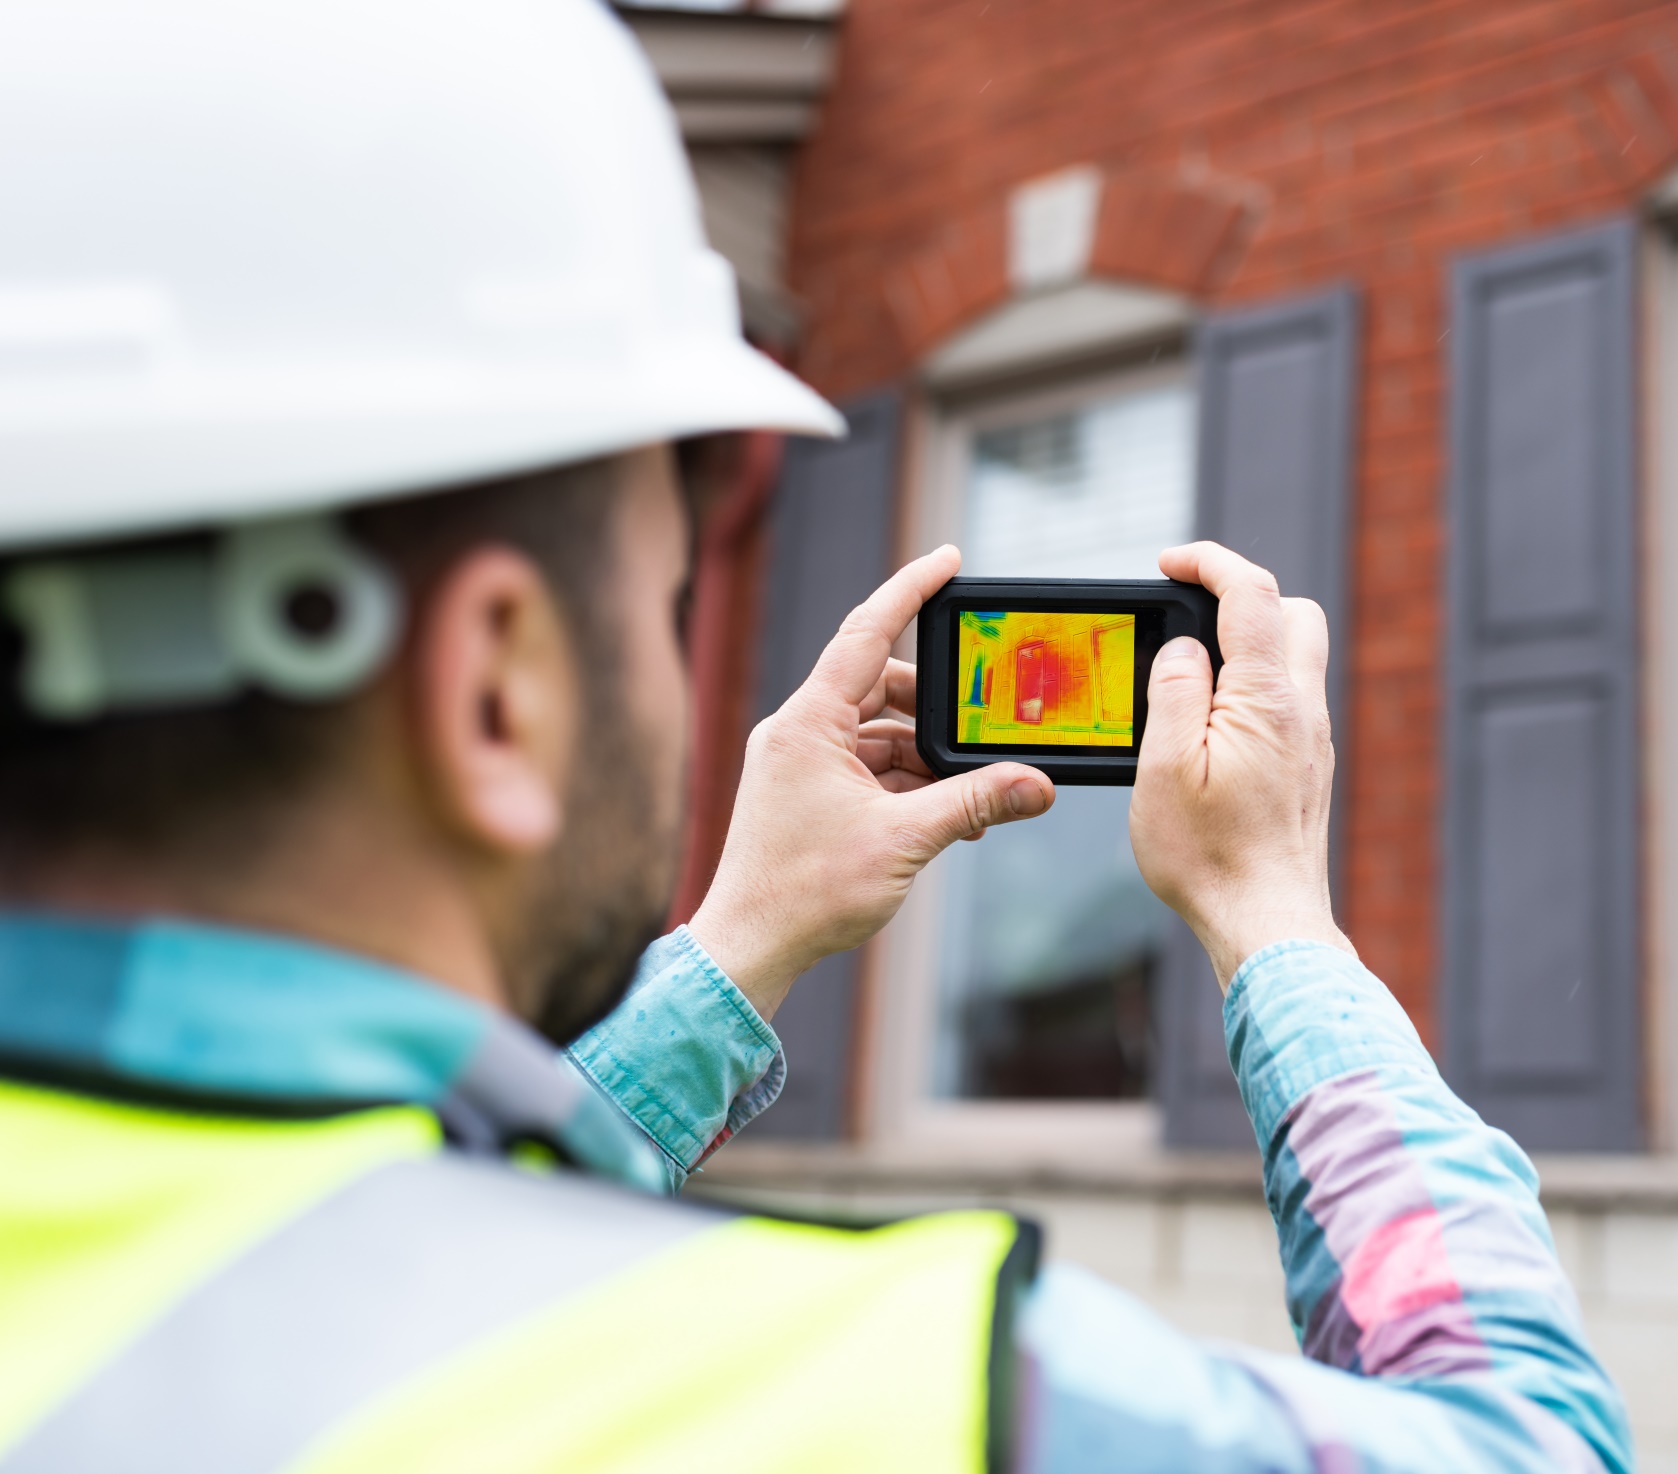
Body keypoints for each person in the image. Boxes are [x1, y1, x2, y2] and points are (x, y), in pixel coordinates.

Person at [0, 1, 1632, 1471]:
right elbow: (1533, 1445)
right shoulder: (884, 1397)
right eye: (660, 603)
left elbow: (358, 1221)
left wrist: (746, 934)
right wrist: (1274, 914)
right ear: (498, 686)